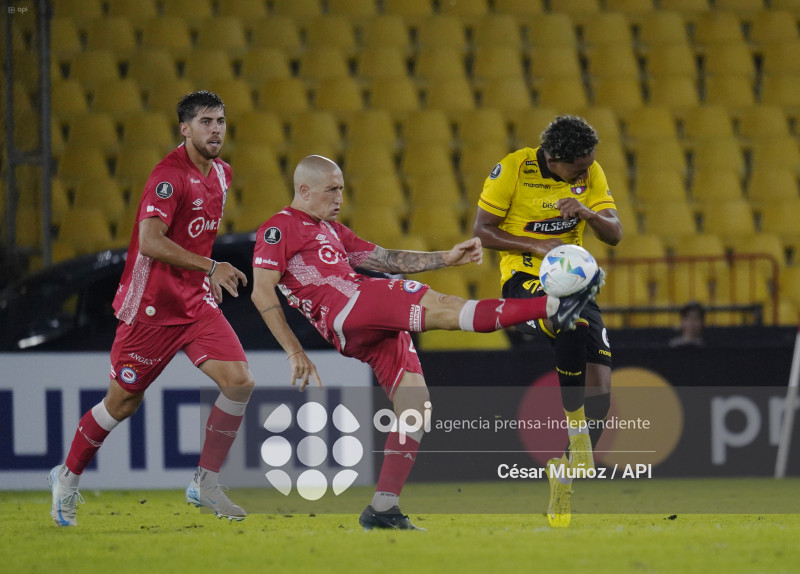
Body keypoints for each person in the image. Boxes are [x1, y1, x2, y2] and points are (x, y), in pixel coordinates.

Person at [250, 155, 602, 530]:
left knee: (415, 407)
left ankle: (383, 507)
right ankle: (551, 306)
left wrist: (446, 259)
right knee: (447, 308)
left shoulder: (333, 230)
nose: (340, 197)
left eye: (341, 188)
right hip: (351, 305)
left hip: (360, 327)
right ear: (304, 190)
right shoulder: (279, 227)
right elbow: (261, 290)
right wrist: (294, 351)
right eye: (331, 189)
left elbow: (385, 258)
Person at [48, 91, 255, 526]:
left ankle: (205, 482)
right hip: (151, 309)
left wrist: (203, 277)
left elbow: (194, 235)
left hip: (194, 304)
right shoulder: (168, 176)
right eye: (205, 121)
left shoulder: (222, 174)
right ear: (185, 129)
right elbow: (152, 242)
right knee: (121, 405)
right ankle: (66, 479)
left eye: (220, 120)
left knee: (239, 381)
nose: (215, 129)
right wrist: (212, 266)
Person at [472, 115, 622, 528]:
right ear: (554, 159)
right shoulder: (514, 170)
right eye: (579, 166)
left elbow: (614, 235)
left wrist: (588, 213)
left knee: (602, 392)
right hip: (525, 280)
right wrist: (535, 246)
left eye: (590, 162)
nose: (587, 170)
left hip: (577, 281)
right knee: (569, 323)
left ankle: (564, 473)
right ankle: (575, 431)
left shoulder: (590, 171)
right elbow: (481, 232)